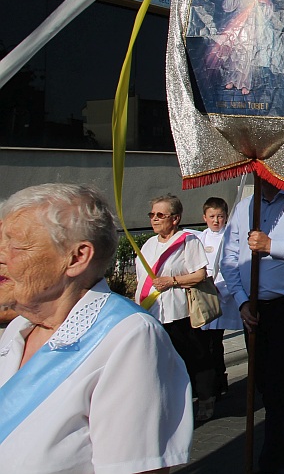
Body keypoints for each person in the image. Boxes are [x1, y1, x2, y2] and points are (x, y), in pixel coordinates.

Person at [0, 183, 192, 472]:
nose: (2, 255)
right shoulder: (18, 330)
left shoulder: (129, 338)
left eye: (14, 245)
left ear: (76, 258)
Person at [221, 184, 284, 473]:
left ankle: (272, 462)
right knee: (266, 385)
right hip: (255, 309)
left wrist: (272, 246)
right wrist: (242, 301)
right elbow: (228, 259)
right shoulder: (244, 209)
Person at [135, 194, 217, 422]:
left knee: (194, 356)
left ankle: (206, 397)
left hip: (180, 311)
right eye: (152, 214)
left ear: (175, 218)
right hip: (154, 313)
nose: (154, 219)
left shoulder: (187, 242)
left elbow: (201, 274)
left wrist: (172, 281)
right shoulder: (148, 244)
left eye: (160, 215)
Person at [195, 196, 243, 398]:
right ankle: (207, 381)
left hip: (220, 294)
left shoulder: (230, 238)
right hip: (202, 295)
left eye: (220, 216)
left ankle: (219, 378)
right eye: (212, 216)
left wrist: (220, 288)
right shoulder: (198, 239)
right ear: (204, 217)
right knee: (202, 343)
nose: (216, 221)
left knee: (215, 341)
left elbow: (232, 266)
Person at [207, 0, 275, 95]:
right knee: (236, 53)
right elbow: (227, 6)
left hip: (254, 26)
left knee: (248, 54)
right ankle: (232, 80)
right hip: (239, 25)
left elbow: (269, 11)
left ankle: (245, 84)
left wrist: (266, 2)